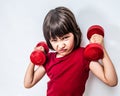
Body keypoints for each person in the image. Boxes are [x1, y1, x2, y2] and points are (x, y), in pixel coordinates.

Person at [24, 6, 118, 96]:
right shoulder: (49, 59)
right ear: (49, 41)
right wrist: (35, 56)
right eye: (54, 40)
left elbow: (111, 81)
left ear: (75, 33)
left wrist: (101, 48)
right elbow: (28, 83)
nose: (61, 45)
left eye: (65, 38)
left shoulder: (84, 56)